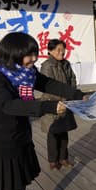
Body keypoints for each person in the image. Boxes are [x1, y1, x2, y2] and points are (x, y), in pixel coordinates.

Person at [0, 32, 85, 190]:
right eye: (30, 55)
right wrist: (48, 107)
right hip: (1, 142)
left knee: (20, 186)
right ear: (13, 53)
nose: (34, 59)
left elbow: (49, 84)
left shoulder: (29, 73)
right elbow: (10, 105)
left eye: (35, 54)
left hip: (21, 137)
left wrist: (77, 94)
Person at [40, 39, 77, 170]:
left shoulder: (66, 63)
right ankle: (53, 160)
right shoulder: (46, 65)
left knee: (64, 132)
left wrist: (71, 94)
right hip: (52, 104)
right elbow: (46, 86)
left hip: (66, 102)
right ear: (50, 51)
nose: (61, 52)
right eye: (58, 50)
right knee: (53, 133)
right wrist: (59, 101)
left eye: (63, 50)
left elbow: (72, 79)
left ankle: (63, 158)